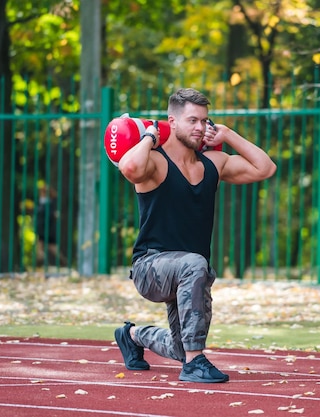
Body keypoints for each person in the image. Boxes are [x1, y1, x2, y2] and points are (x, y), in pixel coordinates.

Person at [114, 88, 276, 383]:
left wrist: (227, 134)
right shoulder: (156, 161)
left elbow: (265, 168)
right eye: (192, 120)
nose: (200, 127)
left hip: (191, 277)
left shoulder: (213, 163)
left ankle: (133, 335)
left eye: (204, 120)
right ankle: (194, 365)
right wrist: (150, 135)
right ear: (172, 122)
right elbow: (129, 166)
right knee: (195, 266)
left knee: (181, 345)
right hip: (151, 268)